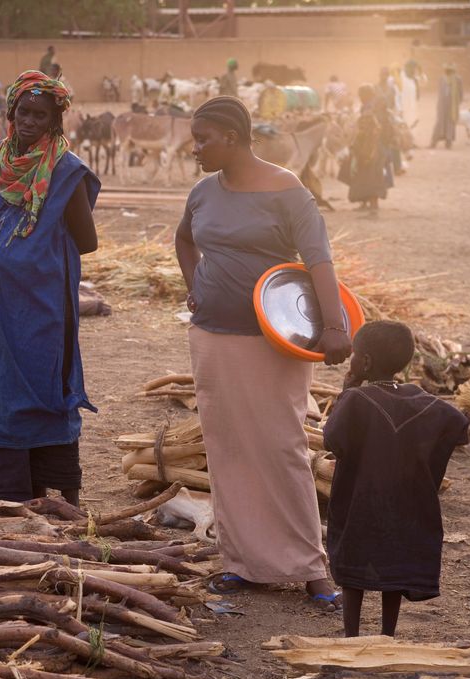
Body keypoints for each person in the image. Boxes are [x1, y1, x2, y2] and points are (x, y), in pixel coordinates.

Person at [174, 96, 350, 609]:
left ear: (232, 137)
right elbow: (184, 240)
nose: (195, 148)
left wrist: (335, 325)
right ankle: (242, 563)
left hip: (274, 339)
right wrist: (194, 286)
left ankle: (309, 566)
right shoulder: (204, 191)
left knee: (281, 446)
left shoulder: (288, 190)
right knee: (227, 449)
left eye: (203, 138)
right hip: (212, 335)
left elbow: (319, 258)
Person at [0, 70, 99, 508]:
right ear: (11, 112)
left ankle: (61, 487)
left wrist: (39, 242)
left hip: (44, 301)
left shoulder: (66, 170)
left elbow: (88, 240)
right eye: (23, 111)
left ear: (54, 121)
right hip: (2, 300)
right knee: (5, 381)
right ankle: (10, 493)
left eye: (40, 115)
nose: (29, 121)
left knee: (46, 381)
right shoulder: (0, 160)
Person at [324, 321, 469, 637]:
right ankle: (387, 635)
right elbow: (458, 425)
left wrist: (348, 388)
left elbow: (331, 439)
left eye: (354, 356)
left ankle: (351, 638)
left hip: (359, 502)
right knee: (395, 570)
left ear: (364, 362)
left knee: (353, 575)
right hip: (407, 505)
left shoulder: (357, 400)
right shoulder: (422, 400)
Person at [430, 63, 462, 149]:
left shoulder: (458, 79)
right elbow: (440, 92)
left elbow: (460, 93)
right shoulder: (441, 79)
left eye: (450, 70)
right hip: (442, 104)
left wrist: (457, 103)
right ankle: (434, 142)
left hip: (452, 105)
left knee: (450, 122)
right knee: (440, 122)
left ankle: (448, 142)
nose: (448, 71)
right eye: (447, 70)